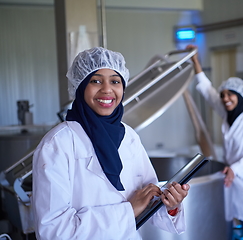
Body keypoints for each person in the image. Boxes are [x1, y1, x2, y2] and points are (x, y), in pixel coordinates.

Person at [32, 47, 190, 240]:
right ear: (80, 87)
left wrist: (170, 205)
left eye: (115, 81)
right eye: (96, 81)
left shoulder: (129, 136)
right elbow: (53, 232)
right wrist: (128, 210)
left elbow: (148, 199)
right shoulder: (57, 144)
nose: (107, 89)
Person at [186, 44, 243, 240]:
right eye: (223, 94)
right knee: (241, 225)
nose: (225, 99)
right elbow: (208, 92)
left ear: (241, 96)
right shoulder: (229, 113)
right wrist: (196, 62)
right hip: (235, 181)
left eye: (230, 95)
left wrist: (236, 169)